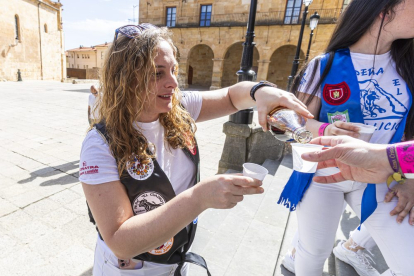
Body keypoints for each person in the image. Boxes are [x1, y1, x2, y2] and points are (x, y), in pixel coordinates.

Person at [79, 24, 313, 276]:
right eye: (157, 74)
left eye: (173, 70)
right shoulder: (100, 143)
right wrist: (200, 197)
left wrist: (261, 91)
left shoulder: (178, 108)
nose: (173, 83)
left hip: (175, 260)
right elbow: (120, 241)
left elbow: (233, 98)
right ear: (125, 79)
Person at [279, 1, 414, 275]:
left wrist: (411, 178)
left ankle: (351, 249)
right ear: (384, 10)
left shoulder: (407, 68)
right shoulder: (325, 65)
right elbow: (294, 122)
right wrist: (324, 130)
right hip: (321, 176)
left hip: (381, 179)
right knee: (313, 252)